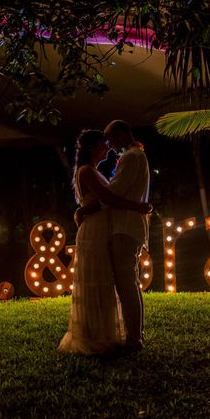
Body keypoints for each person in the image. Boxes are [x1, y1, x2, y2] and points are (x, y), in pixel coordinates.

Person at [58, 129, 151, 355]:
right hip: (94, 231)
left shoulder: (92, 171)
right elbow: (107, 198)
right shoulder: (87, 171)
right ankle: (93, 336)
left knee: (103, 281)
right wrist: (137, 206)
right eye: (103, 143)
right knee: (95, 281)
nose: (108, 147)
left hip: (101, 229)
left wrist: (83, 211)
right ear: (92, 147)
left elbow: (101, 201)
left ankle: (103, 332)